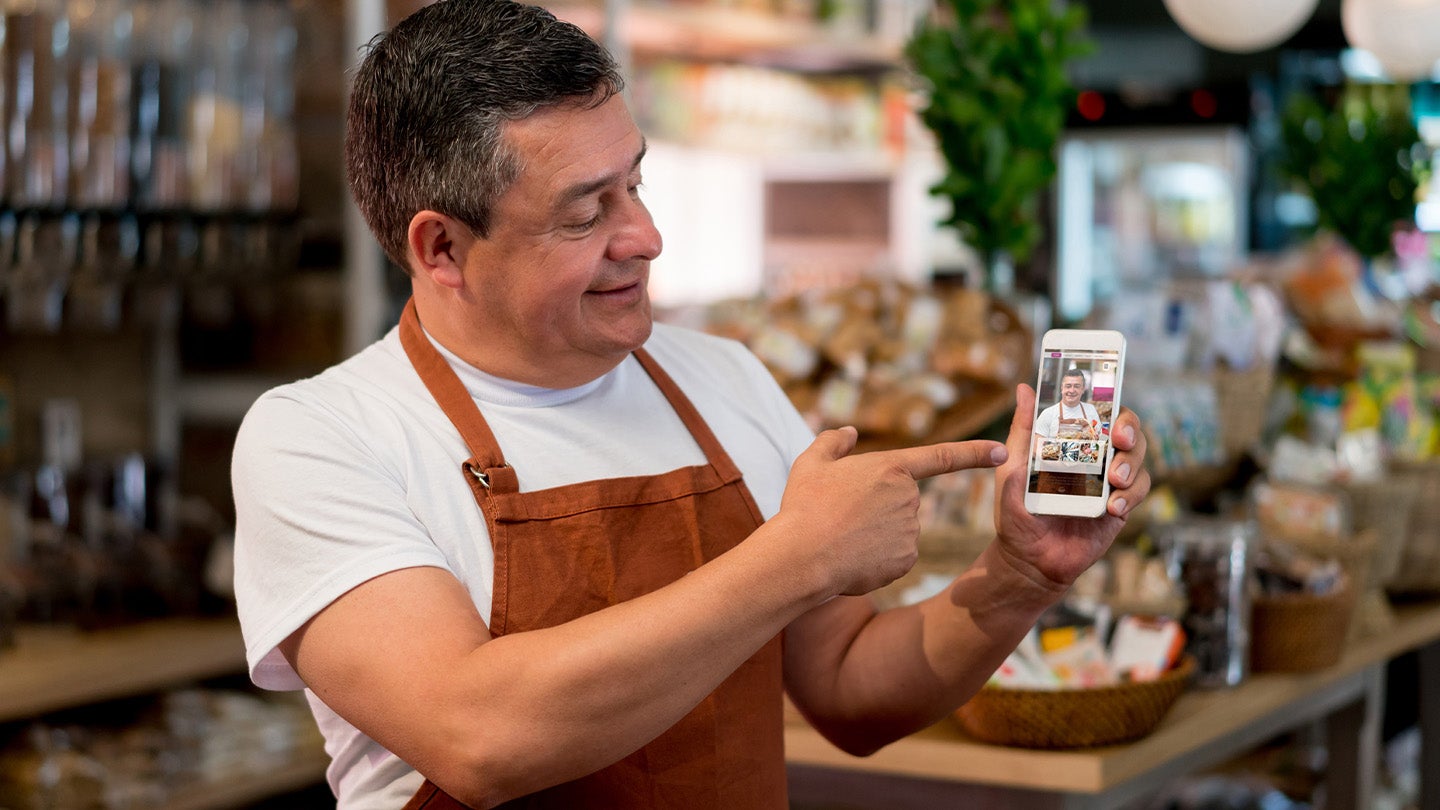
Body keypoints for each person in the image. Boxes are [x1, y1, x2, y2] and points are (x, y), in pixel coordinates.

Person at [229, 2, 1151, 808]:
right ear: (441, 250)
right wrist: (793, 558)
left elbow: (847, 689)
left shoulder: (722, 380)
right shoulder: (322, 438)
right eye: (588, 213)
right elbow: (481, 740)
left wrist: (1020, 576)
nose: (646, 236)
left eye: (635, 181)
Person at [1034, 368, 1103, 441]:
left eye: (1076, 386)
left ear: (1083, 389)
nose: (1072, 390)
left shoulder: (1090, 410)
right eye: (1068, 386)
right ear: (1062, 388)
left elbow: (1099, 439)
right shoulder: (1048, 413)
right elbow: (1036, 445)